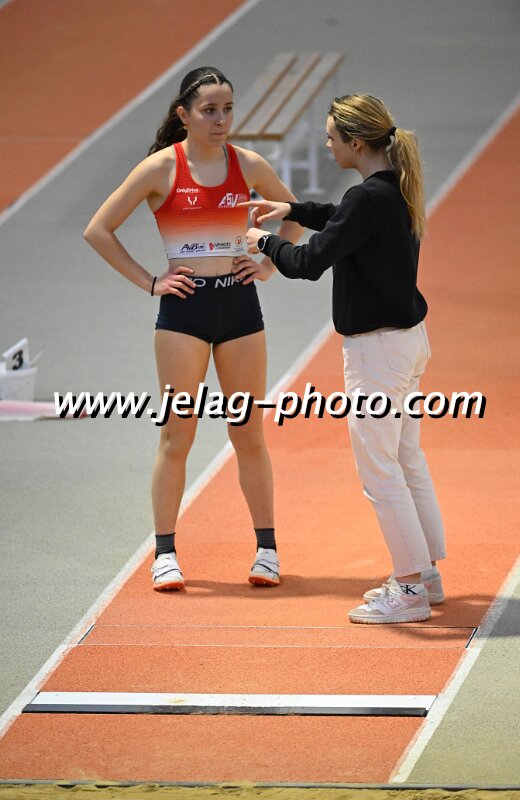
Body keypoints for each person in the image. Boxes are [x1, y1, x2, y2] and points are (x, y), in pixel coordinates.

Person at [84, 66, 302, 592]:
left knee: (247, 432)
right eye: (209, 110)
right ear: (184, 114)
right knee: (176, 434)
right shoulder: (161, 168)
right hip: (183, 314)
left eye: (228, 109)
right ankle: (165, 554)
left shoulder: (247, 164)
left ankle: (267, 551)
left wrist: (268, 263)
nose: (221, 120)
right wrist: (150, 282)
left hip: (240, 309)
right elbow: (98, 229)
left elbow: (294, 214)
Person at [236, 93, 446, 624]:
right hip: (407, 342)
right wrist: (293, 210)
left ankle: (410, 590)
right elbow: (340, 219)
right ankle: (427, 576)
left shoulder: (367, 198)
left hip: (377, 353)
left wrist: (264, 242)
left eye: (332, 137)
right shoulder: (391, 188)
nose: (327, 145)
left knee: (381, 472)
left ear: (355, 142)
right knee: (406, 460)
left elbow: (307, 262)